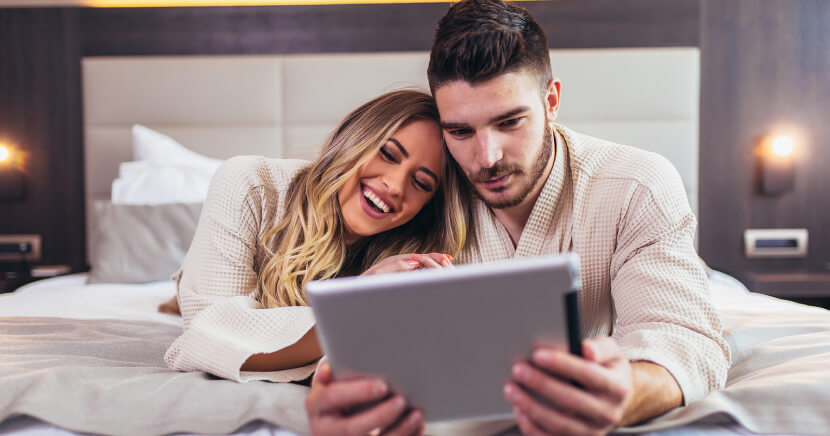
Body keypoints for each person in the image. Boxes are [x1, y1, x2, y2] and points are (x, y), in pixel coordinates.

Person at [305, 1, 731, 435]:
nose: (486, 159)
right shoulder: (420, 189)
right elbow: (370, 329)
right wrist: (341, 391)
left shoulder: (635, 185)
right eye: (460, 131)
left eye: (509, 122)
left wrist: (628, 392)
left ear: (551, 101)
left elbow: (684, 338)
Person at [163, 89, 470, 436]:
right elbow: (206, 335)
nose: (395, 186)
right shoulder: (250, 184)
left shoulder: (409, 257)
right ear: (354, 136)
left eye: (421, 182)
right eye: (387, 153)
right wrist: (354, 307)